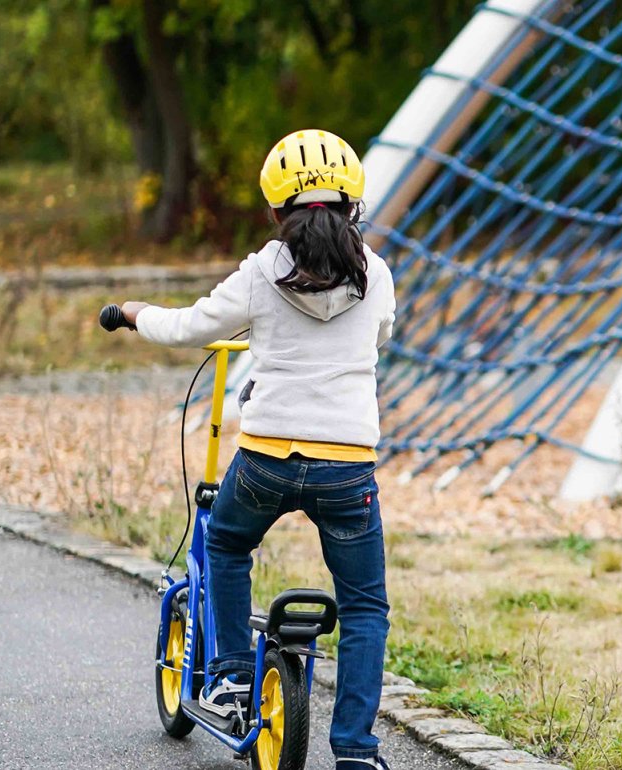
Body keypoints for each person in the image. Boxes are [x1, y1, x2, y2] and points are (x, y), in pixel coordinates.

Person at [116, 129, 399, 768]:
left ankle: (232, 679)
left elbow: (189, 326)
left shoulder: (261, 272)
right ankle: (355, 750)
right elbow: (380, 331)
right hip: (347, 469)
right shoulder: (376, 274)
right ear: (354, 204)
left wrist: (133, 312)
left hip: (268, 459)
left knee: (224, 543)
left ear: (276, 210)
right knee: (364, 607)